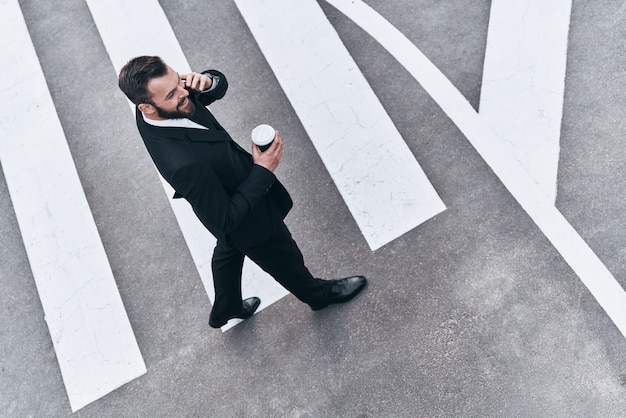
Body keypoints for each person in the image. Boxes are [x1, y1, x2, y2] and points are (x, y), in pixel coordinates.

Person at [118, 56, 367, 328]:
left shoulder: (158, 107)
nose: (185, 92)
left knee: (228, 247)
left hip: (220, 189)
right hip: (245, 215)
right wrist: (263, 169)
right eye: (173, 93)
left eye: (179, 80)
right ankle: (318, 296)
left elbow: (214, 90)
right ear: (146, 106)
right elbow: (225, 220)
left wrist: (210, 81)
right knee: (285, 258)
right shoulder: (183, 164)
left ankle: (227, 308)